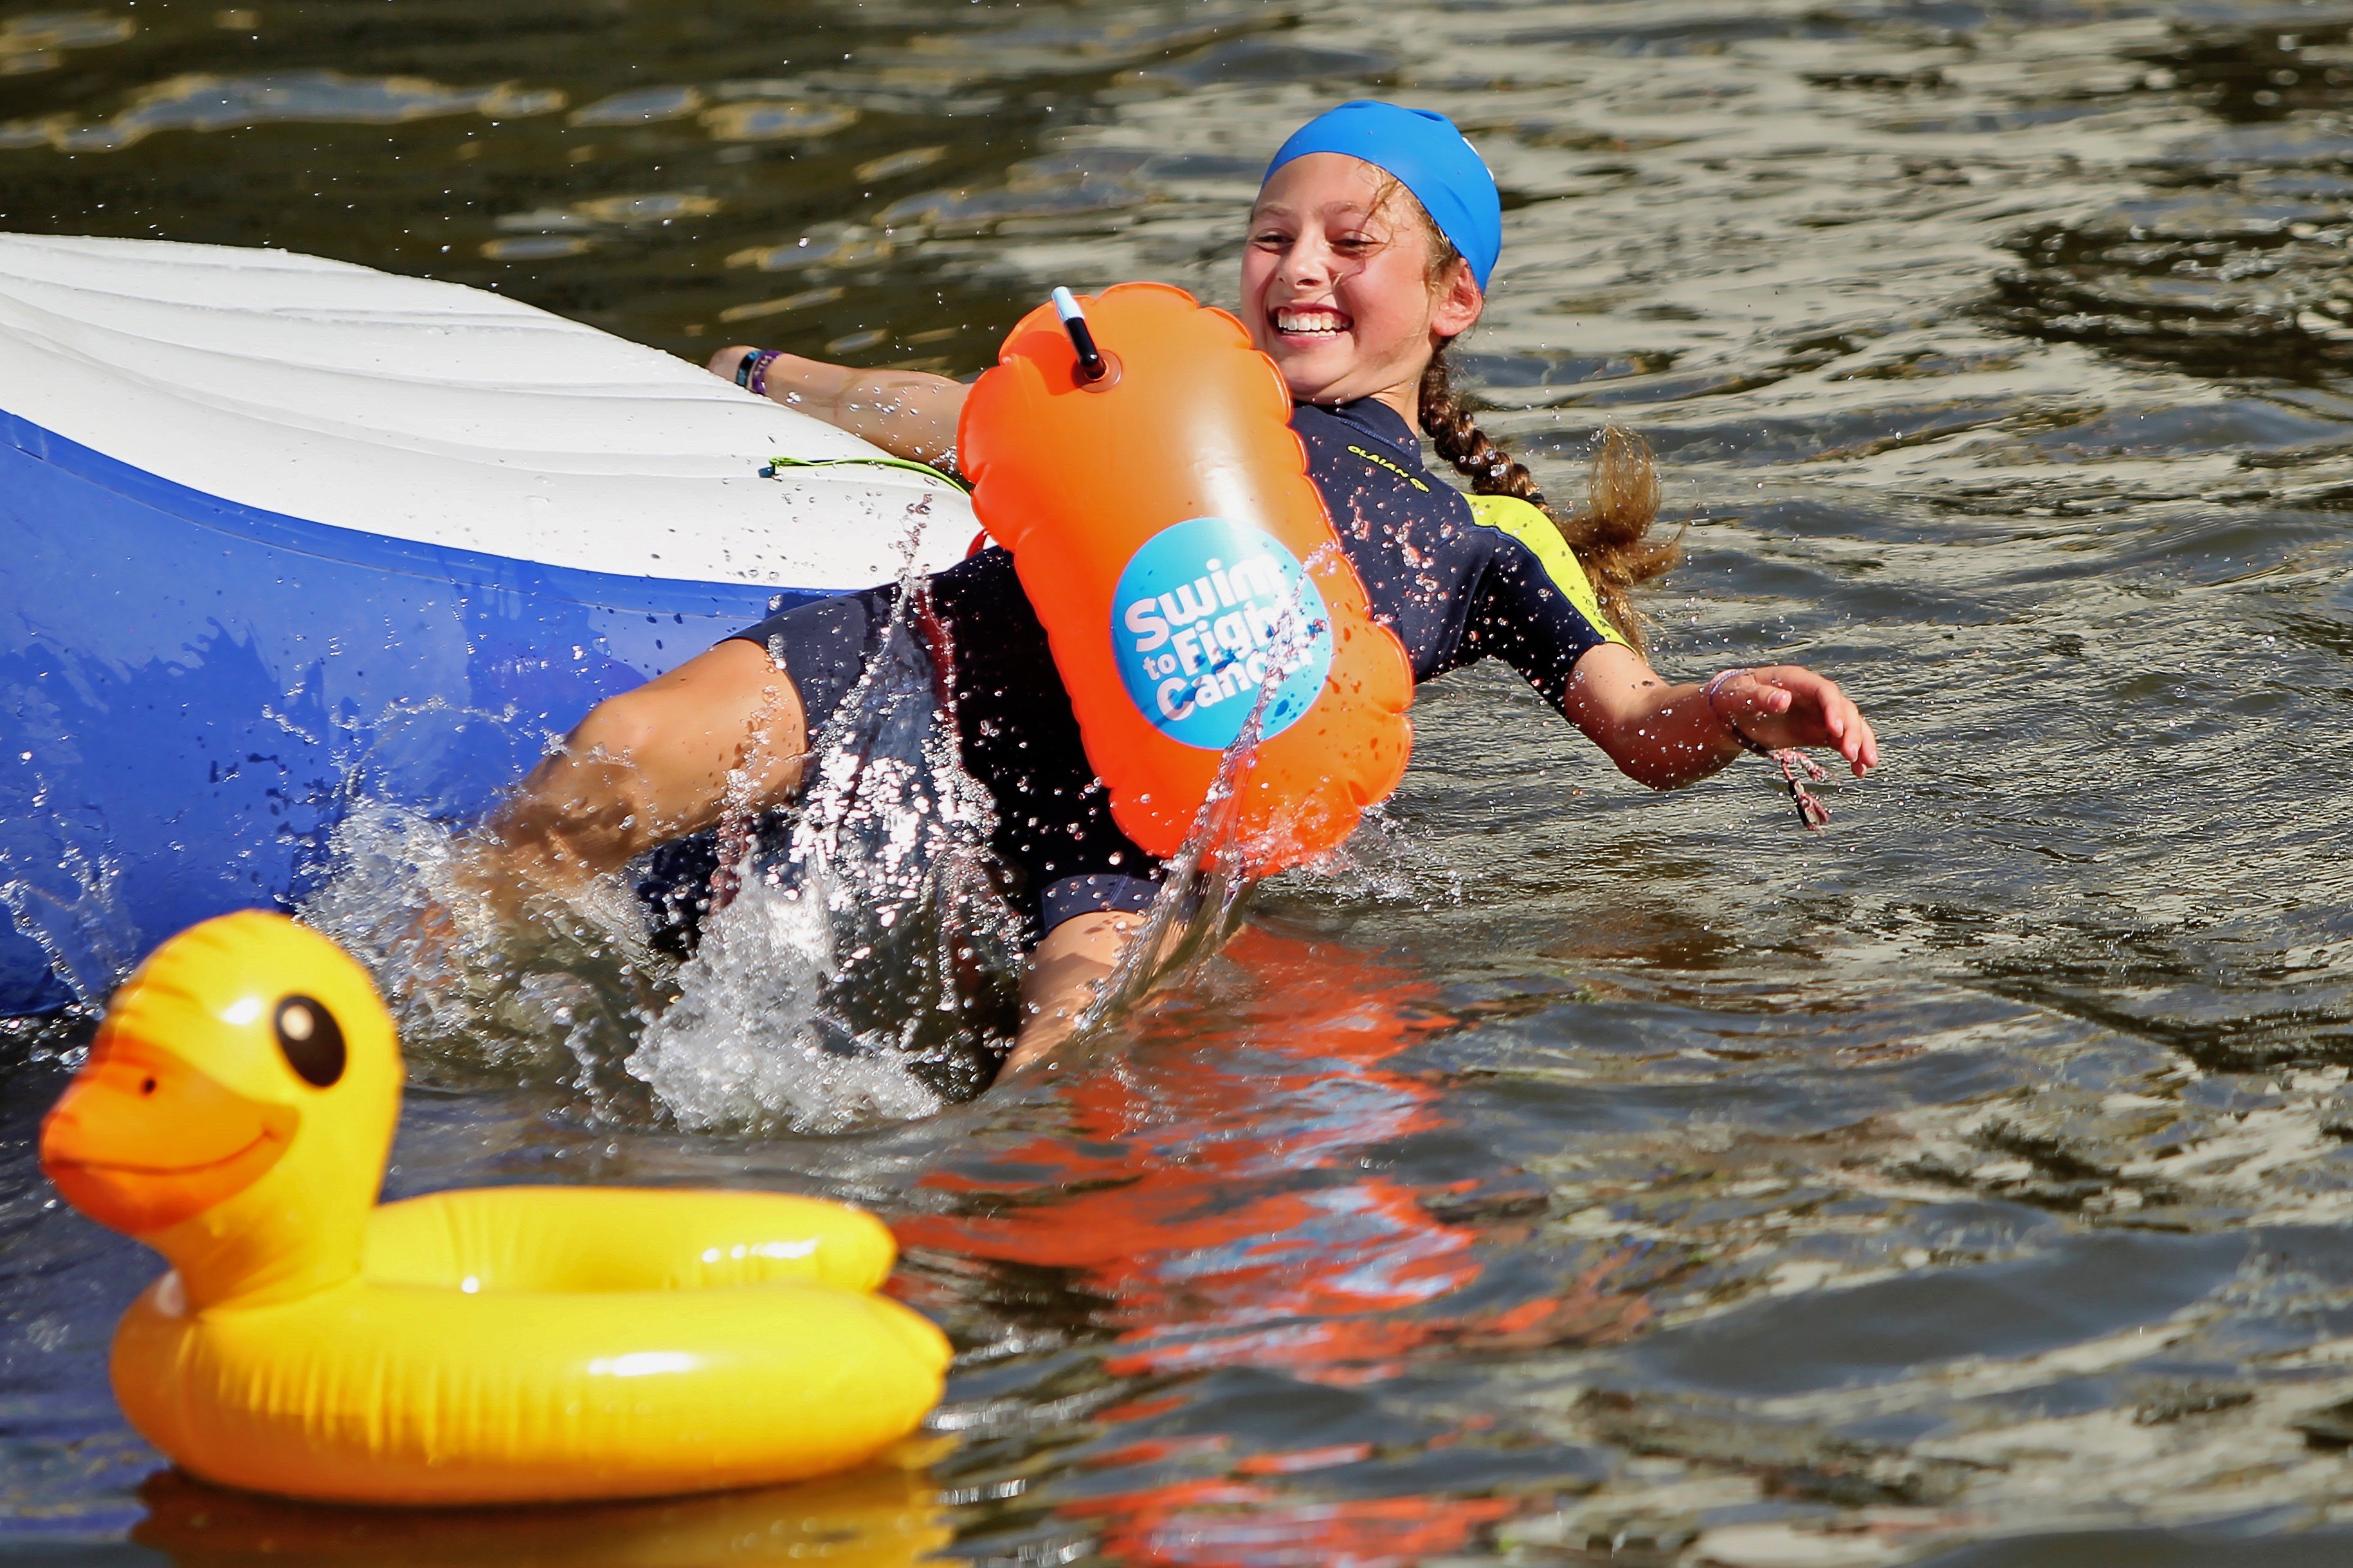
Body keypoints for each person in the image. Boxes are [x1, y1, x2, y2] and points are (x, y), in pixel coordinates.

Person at [478, 101, 1878, 1079]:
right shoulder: (1161, 395)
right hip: (932, 670)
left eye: (1353, 244)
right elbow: (955, 411)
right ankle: (421, 1007)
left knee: (1062, 1064)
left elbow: (1634, 722)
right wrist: (760, 375)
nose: (1302, 269)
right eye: (1273, 238)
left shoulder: (1488, 535)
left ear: (1454, 299)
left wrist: (1731, 706)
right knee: (609, 763)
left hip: (1143, 823)